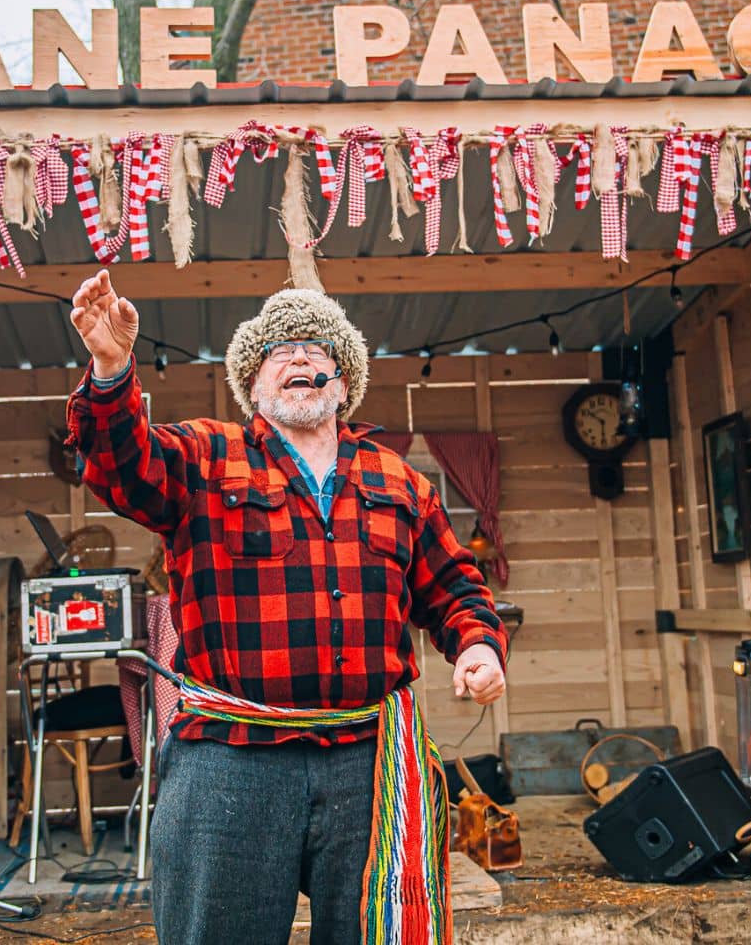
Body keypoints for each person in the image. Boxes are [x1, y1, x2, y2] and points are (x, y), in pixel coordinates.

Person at [66, 270, 508, 944]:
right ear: (254, 383)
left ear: (345, 378)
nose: (301, 356)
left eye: (318, 346)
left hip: (366, 762)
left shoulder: (399, 481)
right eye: (279, 349)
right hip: (228, 760)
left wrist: (476, 644)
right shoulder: (206, 456)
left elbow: (454, 586)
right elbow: (123, 465)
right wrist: (110, 369)